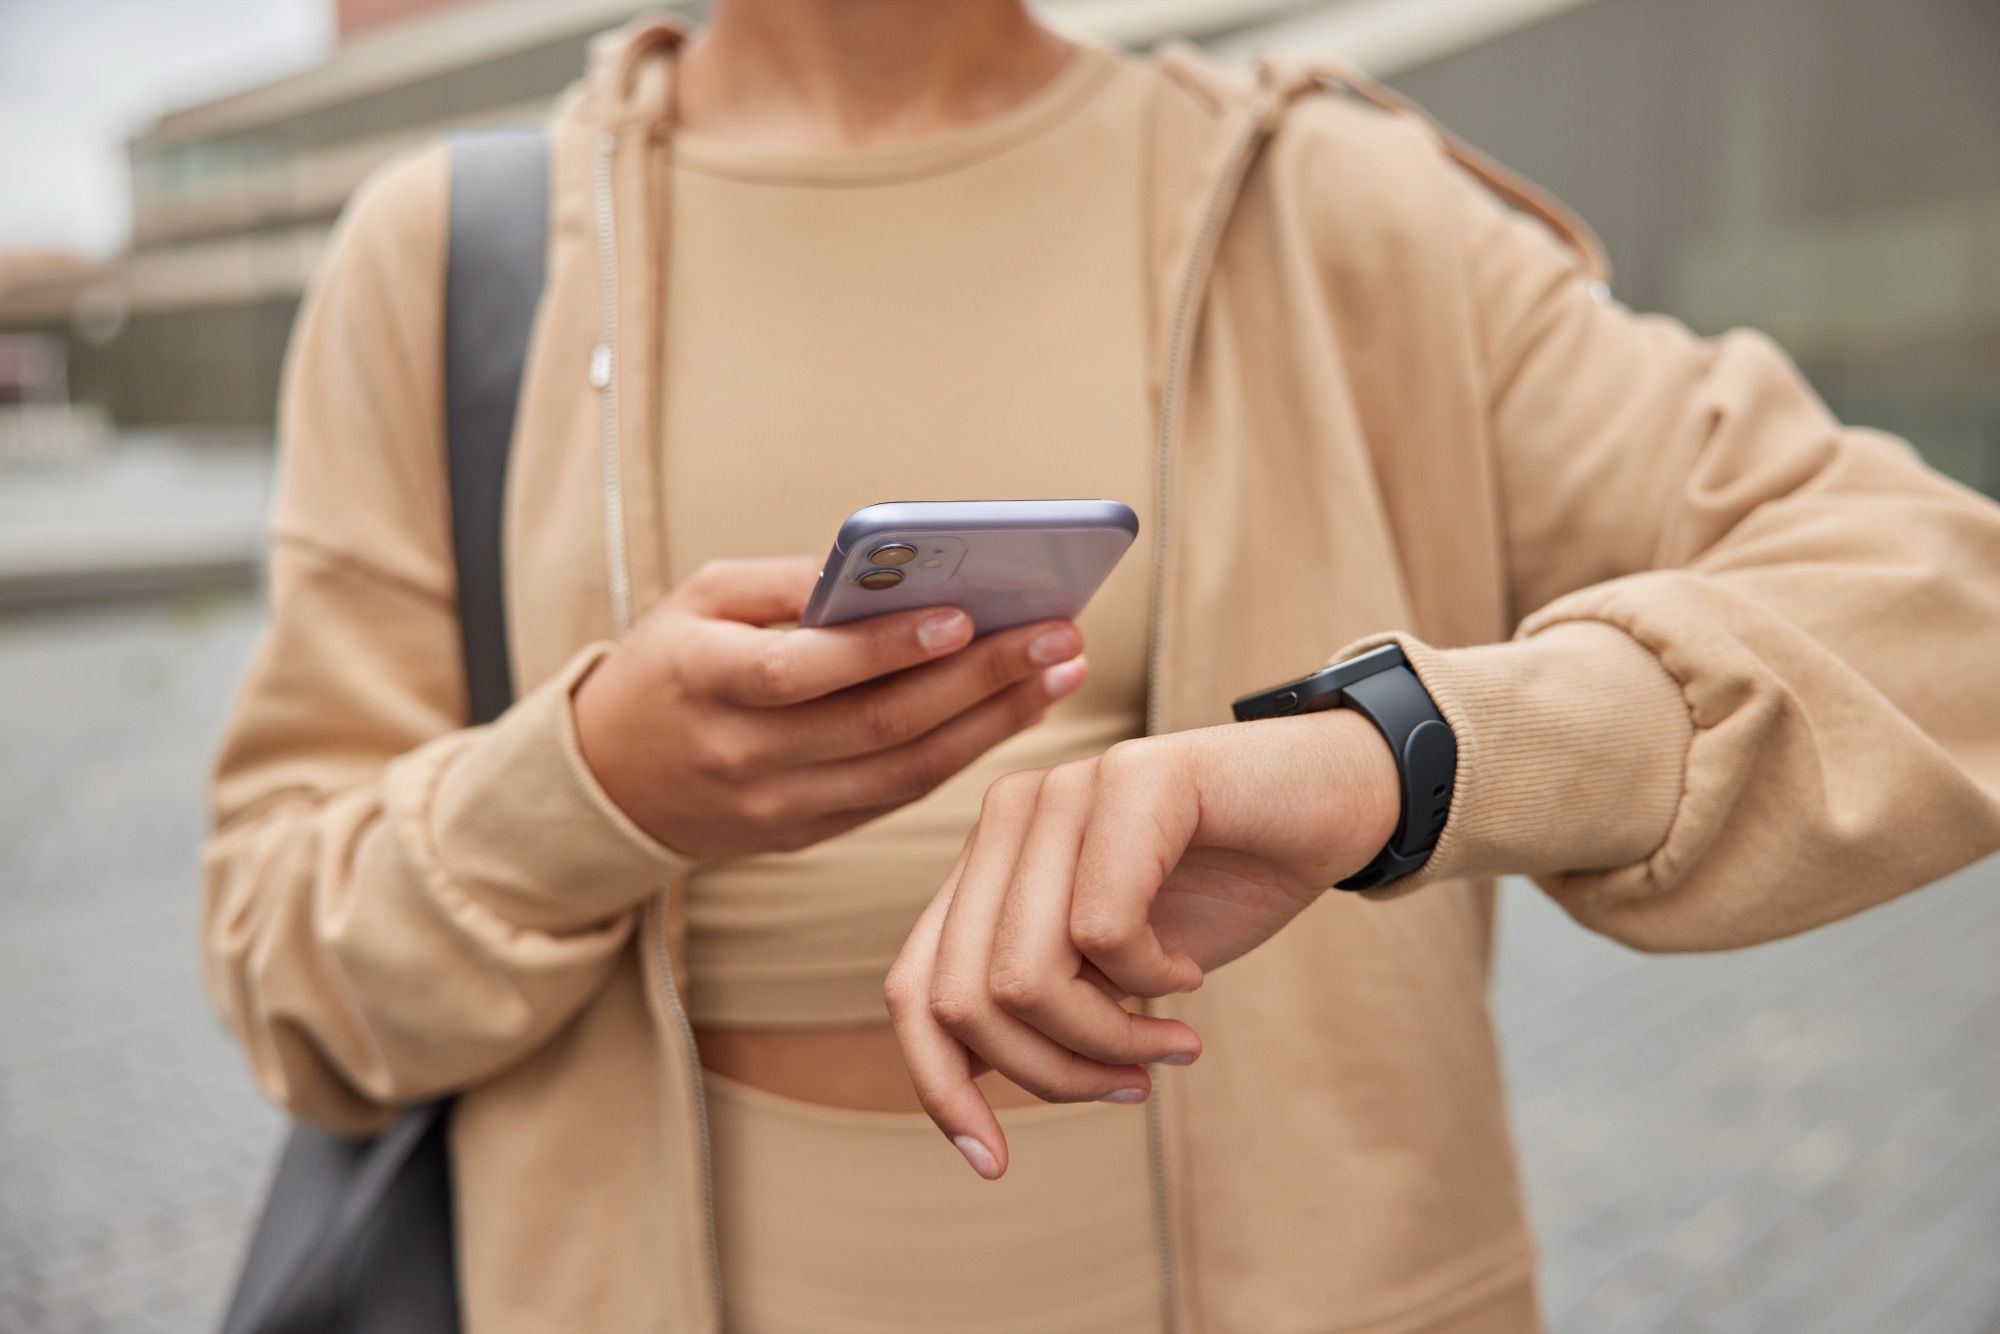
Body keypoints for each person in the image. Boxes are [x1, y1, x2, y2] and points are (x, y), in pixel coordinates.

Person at [201, 2, 2000, 1331]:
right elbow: (287, 969)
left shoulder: (1337, 209)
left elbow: (1947, 611)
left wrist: (1402, 755)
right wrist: (588, 786)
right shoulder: (447, 264)